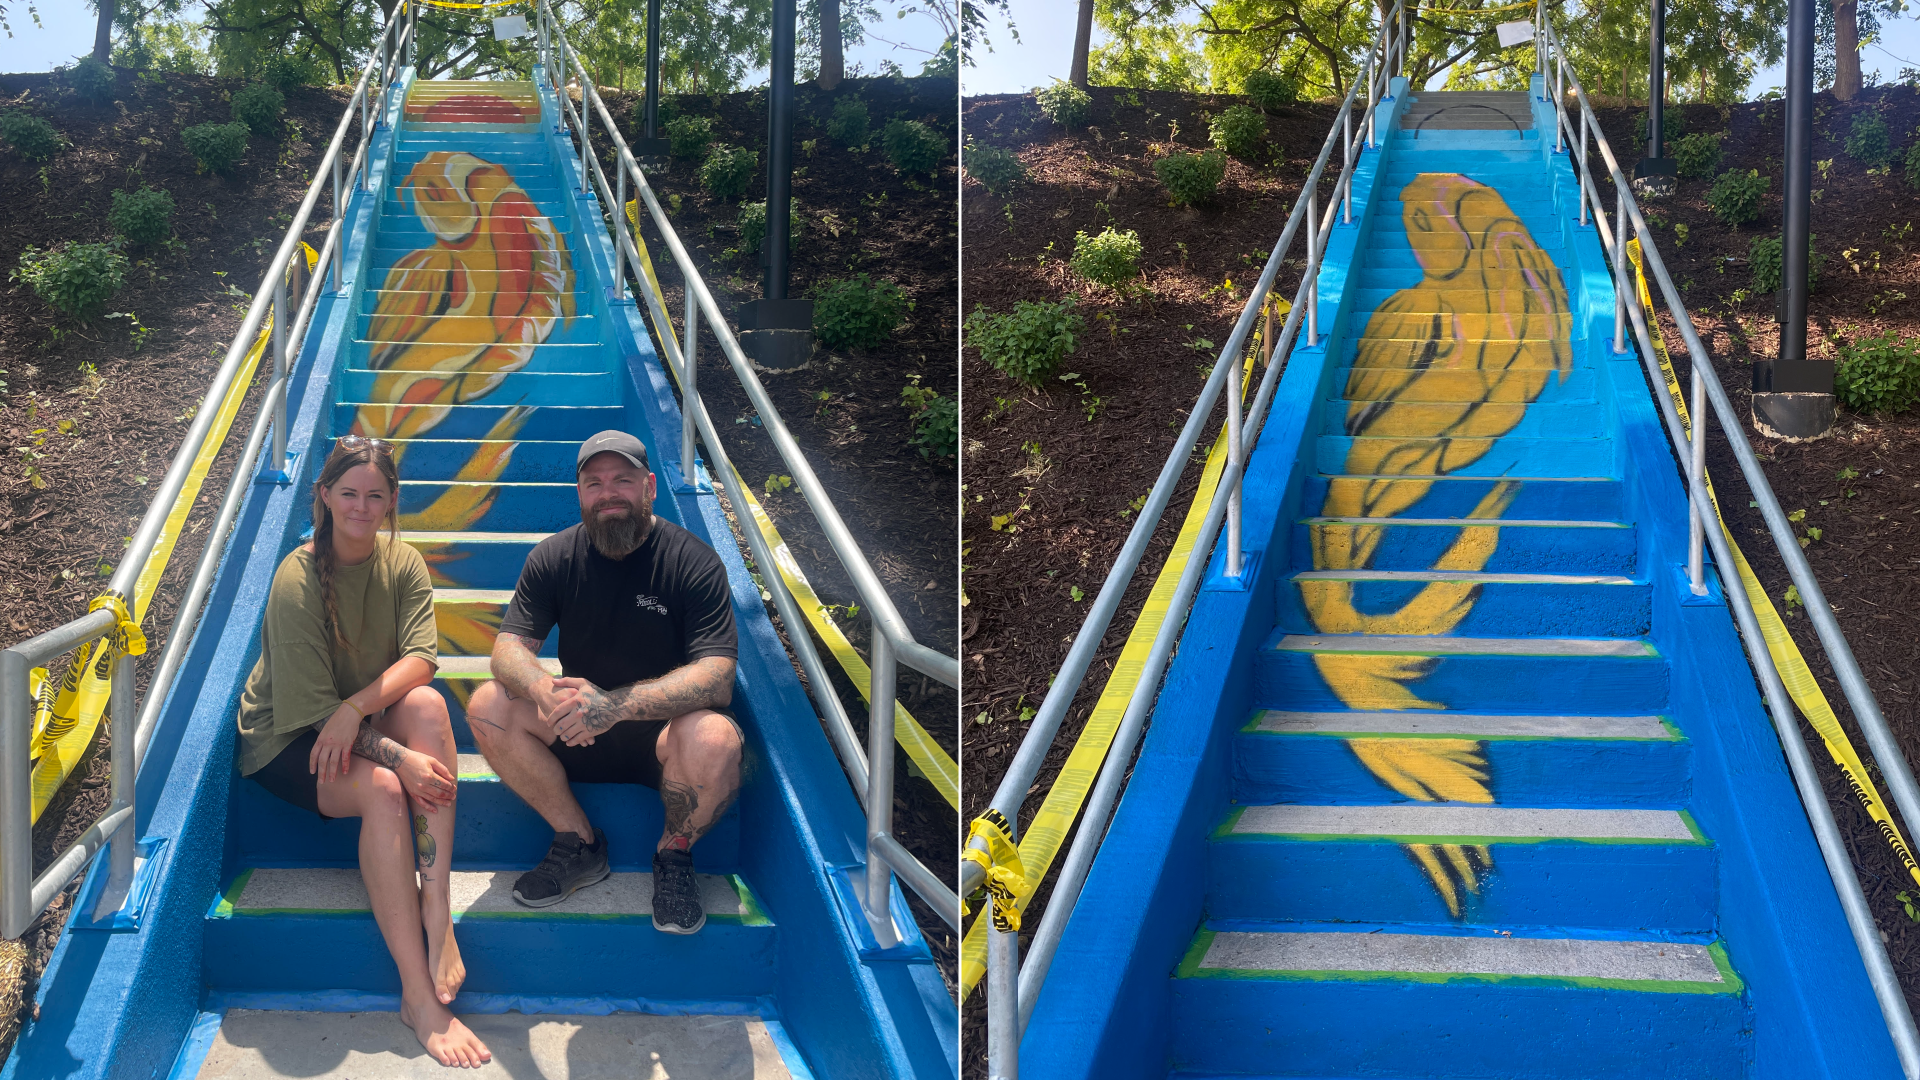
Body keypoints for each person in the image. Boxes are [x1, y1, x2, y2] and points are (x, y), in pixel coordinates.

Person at [235, 436, 491, 1069]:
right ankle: (417, 996)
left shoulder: (402, 562)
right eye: (348, 493)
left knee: (427, 707)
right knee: (382, 788)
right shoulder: (296, 577)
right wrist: (396, 757)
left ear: (392, 501)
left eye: (375, 495)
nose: (361, 506)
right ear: (323, 496)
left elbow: (423, 658)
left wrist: (356, 711)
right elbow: (312, 714)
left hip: (350, 719)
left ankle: (437, 910)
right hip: (286, 736)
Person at [464, 430, 742, 934]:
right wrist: (544, 690)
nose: (608, 493)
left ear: (649, 486)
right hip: (578, 730)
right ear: (580, 493)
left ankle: (673, 857)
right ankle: (580, 843)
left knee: (715, 736)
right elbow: (507, 651)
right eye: (594, 483)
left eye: (622, 480)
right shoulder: (553, 557)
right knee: (488, 704)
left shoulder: (693, 561)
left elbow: (717, 677)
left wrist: (615, 706)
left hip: (662, 738)